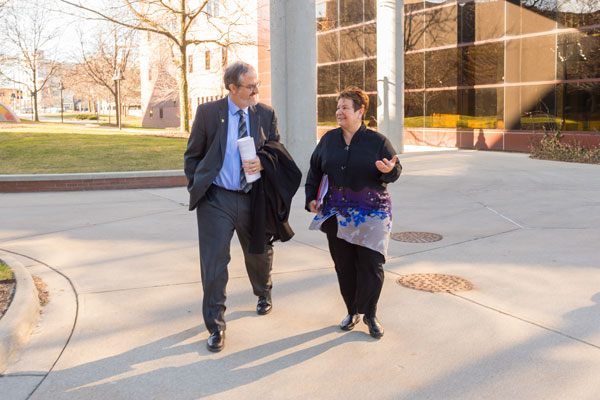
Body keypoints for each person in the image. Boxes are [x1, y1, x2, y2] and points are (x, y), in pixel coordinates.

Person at [184, 61, 300, 352]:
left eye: (256, 84)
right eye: (250, 86)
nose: (256, 90)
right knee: (214, 264)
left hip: (254, 198)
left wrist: (264, 161)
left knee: (258, 253)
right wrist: (197, 186)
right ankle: (216, 326)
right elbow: (193, 155)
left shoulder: (265, 113)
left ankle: (263, 291)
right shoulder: (208, 113)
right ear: (232, 88)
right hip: (216, 199)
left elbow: (277, 150)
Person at [305, 86, 401, 339]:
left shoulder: (377, 141)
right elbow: (315, 170)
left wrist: (387, 170)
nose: (339, 112)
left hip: (372, 215)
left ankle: (370, 313)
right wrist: (311, 199)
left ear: (360, 112)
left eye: (345, 107)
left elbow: (395, 169)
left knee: (371, 265)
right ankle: (352, 311)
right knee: (344, 266)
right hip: (337, 215)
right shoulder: (328, 140)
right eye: (338, 107)